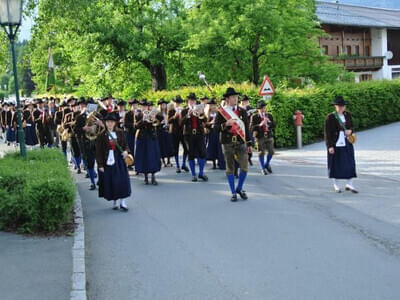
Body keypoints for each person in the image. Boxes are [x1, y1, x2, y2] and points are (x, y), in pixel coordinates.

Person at [215, 87, 252, 202]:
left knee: (244, 167)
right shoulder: (222, 112)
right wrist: (226, 124)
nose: (235, 99)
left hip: (240, 142)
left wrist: (249, 143)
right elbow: (216, 128)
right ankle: (233, 192)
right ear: (227, 99)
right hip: (227, 142)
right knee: (230, 168)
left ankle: (239, 188)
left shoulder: (242, 111)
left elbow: (246, 127)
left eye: (236, 97)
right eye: (233, 97)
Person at [96, 113, 131, 211]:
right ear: (105, 123)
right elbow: (98, 152)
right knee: (112, 181)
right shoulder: (101, 135)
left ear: (115, 123)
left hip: (119, 159)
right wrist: (100, 165)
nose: (110, 124)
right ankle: (115, 201)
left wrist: (126, 151)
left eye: (112, 122)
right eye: (108, 122)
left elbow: (126, 145)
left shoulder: (120, 132)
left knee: (122, 180)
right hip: (108, 160)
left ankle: (123, 202)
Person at [325, 96, 358, 193]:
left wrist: (350, 131)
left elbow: (352, 126)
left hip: (347, 142)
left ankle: (350, 184)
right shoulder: (330, 117)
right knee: (335, 163)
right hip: (336, 143)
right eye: (339, 106)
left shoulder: (348, 115)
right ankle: (336, 185)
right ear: (335, 106)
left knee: (350, 163)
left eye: (342, 106)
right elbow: (327, 133)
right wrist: (330, 146)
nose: (341, 107)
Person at [181, 93, 208, 182]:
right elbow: (181, 123)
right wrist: (188, 115)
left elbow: (205, 120)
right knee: (191, 154)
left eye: (194, 100)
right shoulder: (184, 110)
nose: (192, 102)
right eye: (191, 100)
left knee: (203, 153)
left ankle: (201, 172)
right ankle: (193, 175)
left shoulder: (200, 109)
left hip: (199, 133)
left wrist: (201, 114)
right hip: (189, 135)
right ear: (188, 101)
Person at [134, 102, 162, 185]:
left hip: (152, 138)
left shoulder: (153, 114)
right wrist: (143, 120)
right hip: (142, 138)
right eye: (143, 106)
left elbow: (159, 122)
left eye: (146, 106)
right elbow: (135, 126)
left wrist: (153, 117)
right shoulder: (138, 115)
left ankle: (153, 177)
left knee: (153, 157)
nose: (145, 108)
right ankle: (146, 177)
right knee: (144, 157)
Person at [250, 100, 276, 175]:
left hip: (268, 135)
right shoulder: (254, 117)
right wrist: (260, 125)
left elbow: (274, 125)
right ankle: (262, 168)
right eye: (262, 108)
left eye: (264, 108)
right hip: (259, 136)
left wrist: (269, 122)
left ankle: (266, 164)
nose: (263, 110)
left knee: (271, 152)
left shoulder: (269, 115)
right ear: (258, 109)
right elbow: (251, 128)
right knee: (261, 152)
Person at [168, 95, 189, 173]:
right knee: (175, 149)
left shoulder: (183, 110)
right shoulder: (171, 111)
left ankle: (183, 164)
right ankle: (177, 166)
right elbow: (169, 121)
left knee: (186, 149)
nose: (178, 104)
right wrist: (174, 116)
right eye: (176, 102)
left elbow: (185, 121)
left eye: (179, 102)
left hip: (182, 131)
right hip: (174, 132)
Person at [205, 98, 225, 170]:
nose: (211, 106)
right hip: (211, 132)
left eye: (212, 105)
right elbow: (205, 124)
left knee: (219, 147)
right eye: (210, 105)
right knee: (212, 147)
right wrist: (211, 123)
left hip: (218, 131)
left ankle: (220, 163)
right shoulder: (207, 113)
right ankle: (213, 163)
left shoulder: (218, 112)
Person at [157, 99, 174, 167]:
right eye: (162, 105)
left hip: (167, 129)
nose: (164, 106)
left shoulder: (168, 113)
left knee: (168, 145)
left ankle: (169, 161)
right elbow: (156, 123)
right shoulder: (158, 113)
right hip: (161, 130)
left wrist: (168, 121)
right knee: (162, 146)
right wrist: (161, 123)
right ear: (160, 106)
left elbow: (171, 121)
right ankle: (163, 161)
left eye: (165, 105)